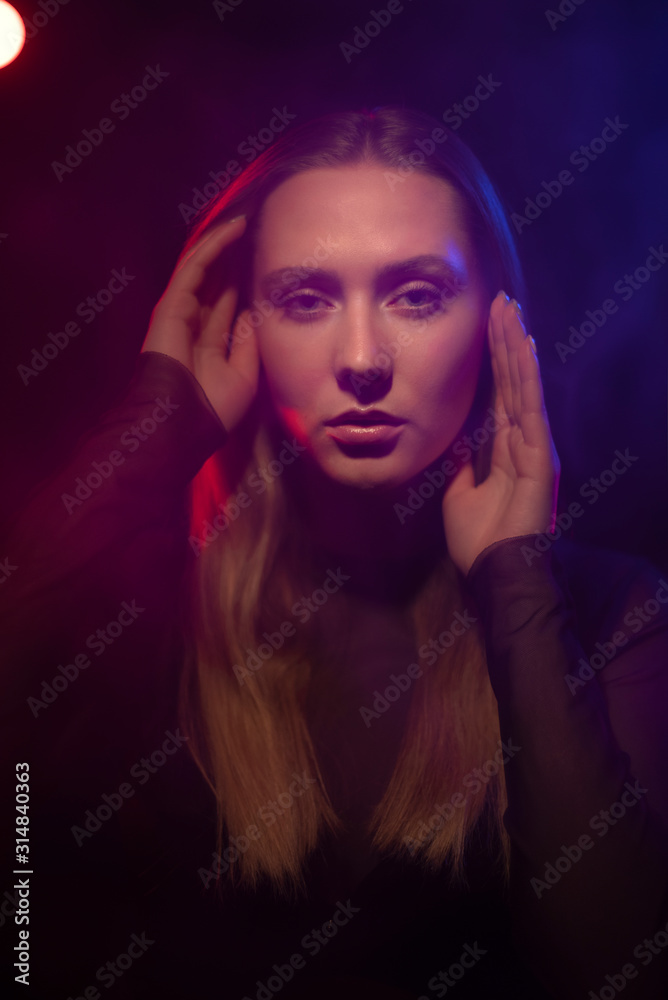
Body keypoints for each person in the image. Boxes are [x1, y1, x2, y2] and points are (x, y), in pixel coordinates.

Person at [2, 107, 667, 1000]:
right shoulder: (146, 612)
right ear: (244, 321)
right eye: (306, 298)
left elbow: (621, 975)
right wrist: (155, 425)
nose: (361, 359)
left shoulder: (613, 614)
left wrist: (518, 580)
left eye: (416, 295)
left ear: (496, 321)